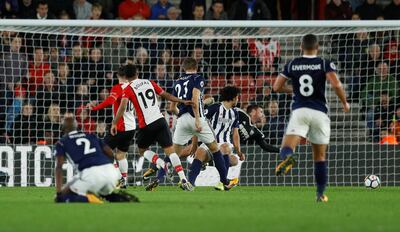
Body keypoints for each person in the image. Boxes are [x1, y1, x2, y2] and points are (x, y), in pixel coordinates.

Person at [273, 34, 350, 202]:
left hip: (300, 111)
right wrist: (344, 103)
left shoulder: (292, 64)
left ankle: (288, 158)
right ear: (318, 47)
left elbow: (276, 86)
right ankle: (320, 194)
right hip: (320, 113)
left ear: (301, 46)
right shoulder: (324, 63)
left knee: (286, 147)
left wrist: (293, 90)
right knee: (320, 157)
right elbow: (336, 84)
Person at [111, 64, 194, 191]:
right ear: (137, 73)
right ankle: (184, 179)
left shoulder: (127, 89)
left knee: (142, 151)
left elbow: (122, 107)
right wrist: (181, 101)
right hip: (160, 121)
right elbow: (165, 94)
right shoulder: (149, 82)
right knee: (171, 151)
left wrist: (115, 123)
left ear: (126, 77)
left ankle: (161, 163)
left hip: (146, 125)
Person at [170, 58, 233, 191]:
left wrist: (180, 114)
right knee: (215, 148)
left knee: (173, 154)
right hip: (195, 117)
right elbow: (194, 98)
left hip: (181, 119)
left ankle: (159, 177)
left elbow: (172, 107)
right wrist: (197, 119)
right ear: (196, 67)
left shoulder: (177, 82)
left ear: (183, 68)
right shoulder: (198, 79)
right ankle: (224, 181)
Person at [54, 114, 139, 203]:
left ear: (62, 128)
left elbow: (59, 167)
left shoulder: (62, 142)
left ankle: (91, 199)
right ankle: (111, 196)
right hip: (111, 174)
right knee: (99, 188)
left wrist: (59, 192)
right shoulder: (91, 135)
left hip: (90, 175)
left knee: (61, 196)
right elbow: (110, 153)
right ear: (76, 126)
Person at [89, 66, 136, 188]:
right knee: (121, 155)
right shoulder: (133, 88)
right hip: (132, 127)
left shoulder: (117, 87)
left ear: (118, 76)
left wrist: (95, 108)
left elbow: (110, 101)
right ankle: (123, 180)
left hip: (121, 126)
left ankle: (119, 178)